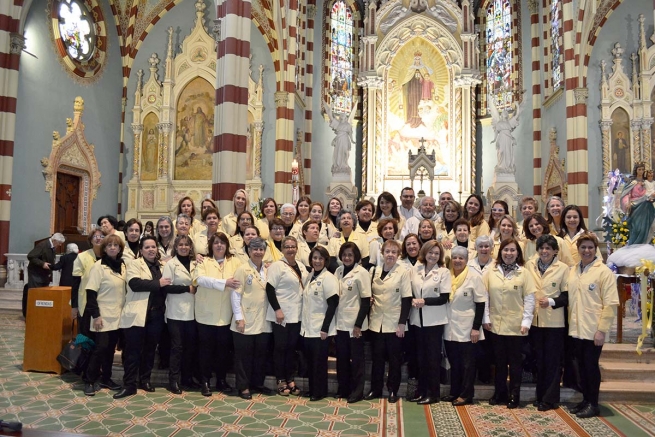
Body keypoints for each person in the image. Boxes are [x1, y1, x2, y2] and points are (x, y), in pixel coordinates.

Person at [567, 232, 619, 418]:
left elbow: (611, 304)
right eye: (583, 247)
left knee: (591, 366)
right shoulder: (574, 270)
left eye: (590, 247)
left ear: (595, 249)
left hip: (593, 330)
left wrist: (602, 330)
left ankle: (594, 404)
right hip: (576, 328)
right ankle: (586, 400)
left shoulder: (603, 271)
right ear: (578, 249)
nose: (586, 250)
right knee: (580, 367)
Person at [113, 235, 171, 399]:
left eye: (153, 247)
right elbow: (135, 284)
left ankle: (145, 380)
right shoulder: (133, 264)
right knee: (132, 352)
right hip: (138, 313)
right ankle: (129, 384)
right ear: (141, 250)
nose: (151, 250)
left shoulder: (162, 266)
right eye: (147, 247)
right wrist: (158, 283)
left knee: (150, 350)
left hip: (157, 314)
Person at [484, 237, 536, 409]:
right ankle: (500, 393)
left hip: (516, 327)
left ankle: (515, 395)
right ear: (500, 252)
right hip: (495, 325)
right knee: (499, 363)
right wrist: (486, 318)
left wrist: (527, 321)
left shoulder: (524, 273)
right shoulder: (492, 272)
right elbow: (485, 297)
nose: (509, 253)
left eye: (513, 250)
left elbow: (529, 299)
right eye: (506, 250)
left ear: (518, 253)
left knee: (515, 364)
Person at [193, 232, 241, 396]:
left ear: (227, 245)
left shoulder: (234, 262)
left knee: (223, 351)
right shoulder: (203, 261)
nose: (219, 246)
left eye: (222, 243)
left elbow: (240, 280)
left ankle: (221, 380)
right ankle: (205, 381)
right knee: (205, 350)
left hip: (226, 314)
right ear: (211, 246)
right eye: (216, 243)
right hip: (206, 314)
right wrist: (224, 283)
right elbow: (199, 279)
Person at [525, 235, 569, 411]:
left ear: (555, 251)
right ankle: (540, 396)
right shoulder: (530, 265)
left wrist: (551, 302)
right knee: (539, 361)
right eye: (541, 248)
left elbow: (566, 296)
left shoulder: (563, 268)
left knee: (552, 362)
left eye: (548, 249)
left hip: (554, 322)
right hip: (535, 321)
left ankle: (550, 399)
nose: (544, 251)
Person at [365, 240, 412, 403]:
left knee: (394, 359)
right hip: (376, 322)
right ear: (382, 253)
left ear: (398, 255)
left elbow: (406, 299)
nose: (390, 254)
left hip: (394, 323)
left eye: (394, 252)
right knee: (377, 359)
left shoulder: (403, 272)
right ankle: (375, 389)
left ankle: (393, 390)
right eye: (387, 251)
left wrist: (402, 323)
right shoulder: (374, 271)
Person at [408, 240, 451, 405]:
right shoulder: (415, 270)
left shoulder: (443, 272)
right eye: (430, 252)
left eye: (437, 253)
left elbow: (444, 298)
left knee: (432, 359)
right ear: (424, 253)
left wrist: (424, 301)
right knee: (421, 358)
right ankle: (422, 391)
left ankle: (433, 394)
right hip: (417, 321)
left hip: (434, 321)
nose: (433, 256)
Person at [82, 234, 126, 396]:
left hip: (118, 316)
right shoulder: (98, 266)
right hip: (102, 316)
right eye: (109, 245)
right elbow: (91, 293)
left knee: (110, 350)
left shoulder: (123, 266)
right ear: (105, 249)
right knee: (100, 348)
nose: (113, 248)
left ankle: (106, 378)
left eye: (116, 245)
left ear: (120, 248)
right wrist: (96, 315)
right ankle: (89, 380)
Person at [443, 246, 487, 406]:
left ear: (467, 260)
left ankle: (466, 394)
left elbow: (481, 304)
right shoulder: (447, 276)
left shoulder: (474, 277)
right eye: (454, 257)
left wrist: (476, 328)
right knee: (454, 362)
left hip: (468, 328)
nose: (457, 260)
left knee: (468, 364)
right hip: (449, 327)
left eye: (461, 258)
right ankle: (454, 391)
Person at [266, 236, 309, 396]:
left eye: (293, 246)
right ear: (282, 249)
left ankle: (290, 378)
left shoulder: (301, 266)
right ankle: (280, 380)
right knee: (280, 348)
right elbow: (270, 289)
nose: (290, 249)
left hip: (297, 315)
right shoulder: (277, 266)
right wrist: (277, 309)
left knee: (291, 349)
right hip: (281, 315)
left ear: (297, 248)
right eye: (287, 246)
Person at [230, 237, 272, 400]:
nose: (258, 252)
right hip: (245, 320)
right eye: (254, 249)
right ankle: (243, 386)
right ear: (248, 251)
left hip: (263, 320)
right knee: (243, 357)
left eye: (261, 249)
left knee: (260, 355)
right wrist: (239, 317)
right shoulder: (242, 269)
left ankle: (257, 383)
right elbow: (235, 294)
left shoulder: (268, 269)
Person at [301, 246, 339, 401]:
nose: (317, 261)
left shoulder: (329, 278)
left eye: (320, 258)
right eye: (314, 258)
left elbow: (333, 304)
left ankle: (319, 391)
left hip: (321, 329)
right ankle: (312, 389)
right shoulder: (310, 276)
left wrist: (325, 328)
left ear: (326, 261)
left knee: (319, 363)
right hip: (308, 328)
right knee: (310, 362)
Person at [334, 242, 371, 403]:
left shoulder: (361, 272)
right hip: (339, 323)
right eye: (344, 255)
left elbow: (365, 301)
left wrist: (357, 325)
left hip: (355, 324)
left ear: (356, 256)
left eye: (350, 255)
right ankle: (343, 388)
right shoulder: (338, 270)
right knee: (342, 359)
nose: (347, 257)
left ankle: (357, 391)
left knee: (357, 360)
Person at [162, 235, 197, 394]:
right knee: (177, 347)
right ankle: (173, 381)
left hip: (193, 312)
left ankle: (187, 379)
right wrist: (186, 288)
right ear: (175, 247)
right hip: (175, 312)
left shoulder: (196, 263)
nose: (183, 247)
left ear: (190, 247)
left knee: (190, 348)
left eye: (186, 245)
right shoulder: (171, 264)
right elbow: (165, 287)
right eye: (180, 245)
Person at [23, 233, 66, 318]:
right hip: (36, 274)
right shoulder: (43, 245)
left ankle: (40, 314)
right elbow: (31, 256)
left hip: (44, 274)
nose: (60, 245)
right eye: (59, 243)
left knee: (43, 294)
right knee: (35, 294)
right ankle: (33, 315)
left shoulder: (52, 246)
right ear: (54, 241)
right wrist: (42, 264)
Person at [71, 229, 104, 334]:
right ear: (90, 240)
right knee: (86, 337)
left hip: (105, 303)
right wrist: (74, 306)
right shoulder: (82, 257)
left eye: (102, 236)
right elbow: (75, 284)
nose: (98, 238)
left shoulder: (110, 256)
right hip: (86, 303)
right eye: (95, 236)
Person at [621, 162, 655, 244]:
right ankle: (634, 245)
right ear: (636, 170)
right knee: (637, 229)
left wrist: (652, 198)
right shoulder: (632, 182)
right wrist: (626, 203)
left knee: (645, 228)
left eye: (643, 170)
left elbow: (650, 194)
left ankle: (644, 244)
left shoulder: (646, 182)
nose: (641, 171)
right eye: (639, 169)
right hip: (635, 207)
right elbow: (626, 194)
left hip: (645, 207)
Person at [323, 100, 356, 174]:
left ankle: (345, 165)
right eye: (341, 117)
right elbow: (331, 118)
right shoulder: (338, 124)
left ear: (345, 118)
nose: (342, 118)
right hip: (339, 140)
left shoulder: (348, 125)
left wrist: (352, 140)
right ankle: (338, 166)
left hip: (345, 139)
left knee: (345, 153)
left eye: (343, 117)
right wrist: (330, 109)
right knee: (338, 153)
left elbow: (350, 133)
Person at [490, 100, 521, 172]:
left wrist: (517, 106)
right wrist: (494, 139)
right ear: (502, 115)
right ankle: (501, 166)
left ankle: (507, 167)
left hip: (508, 139)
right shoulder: (499, 123)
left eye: (506, 113)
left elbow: (516, 115)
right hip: (501, 139)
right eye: (504, 113)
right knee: (501, 152)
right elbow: (496, 132)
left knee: (508, 153)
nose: (505, 114)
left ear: (507, 115)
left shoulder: (509, 122)